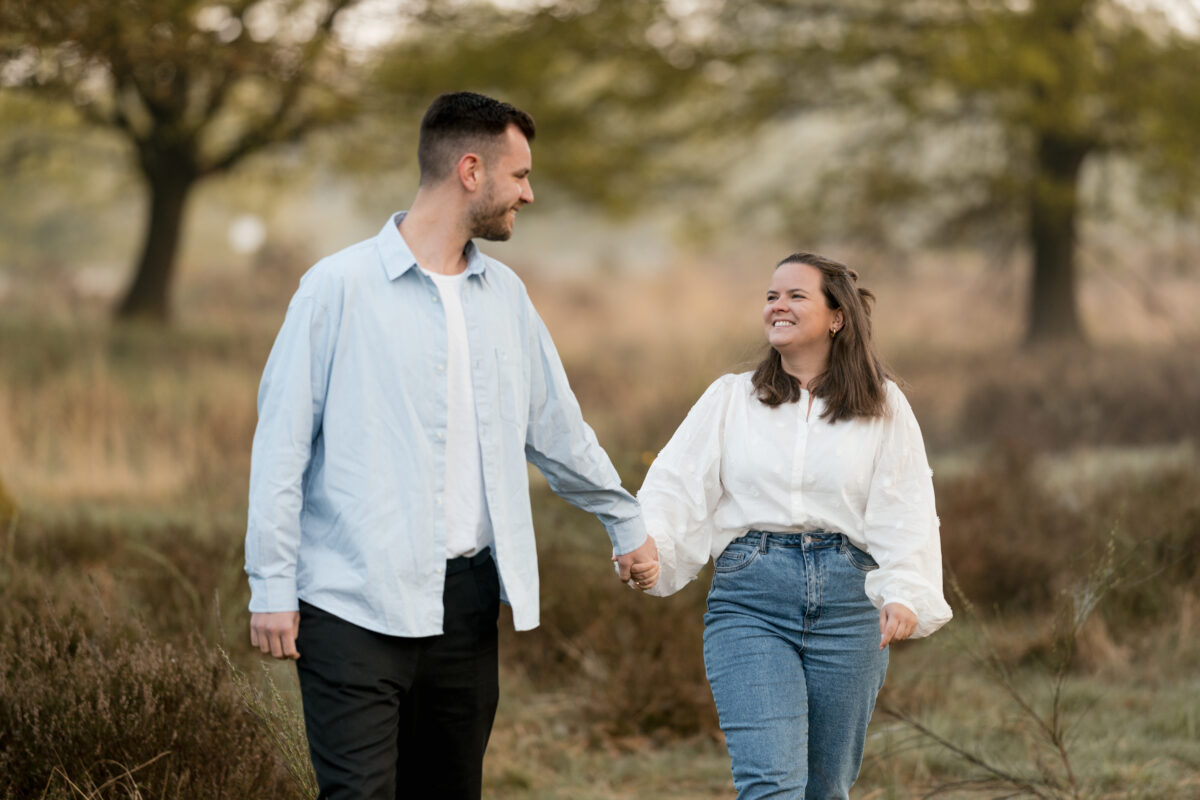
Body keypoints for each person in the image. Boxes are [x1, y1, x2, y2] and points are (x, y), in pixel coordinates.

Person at [243, 91, 658, 800]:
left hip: (466, 607)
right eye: (520, 175)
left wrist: (625, 519)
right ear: (471, 169)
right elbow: (281, 448)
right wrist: (272, 586)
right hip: (351, 600)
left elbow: (557, 429)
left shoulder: (507, 297)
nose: (529, 193)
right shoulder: (335, 290)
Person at [635, 252, 952, 799]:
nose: (777, 305)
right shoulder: (731, 398)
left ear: (837, 316)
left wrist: (904, 591)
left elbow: (906, 505)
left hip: (851, 607)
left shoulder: (883, 405)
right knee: (771, 784)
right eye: (770, 296)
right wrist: (653, 549)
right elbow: (676, 483)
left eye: (795, 296)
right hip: (751, 601)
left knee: (825, 789)